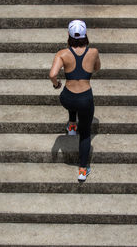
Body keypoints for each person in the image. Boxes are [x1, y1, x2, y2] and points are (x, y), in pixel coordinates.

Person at [49, 20, 101, 182]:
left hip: (67, 98)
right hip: (85, 99)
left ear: (68, 35)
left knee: (72, 100)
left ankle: (72, 124)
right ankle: (82, 170)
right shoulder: (93, 52)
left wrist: (57, 84)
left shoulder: (62, 53)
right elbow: (97, 68)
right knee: (85, 134)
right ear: (86, 35)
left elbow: (52, 74)